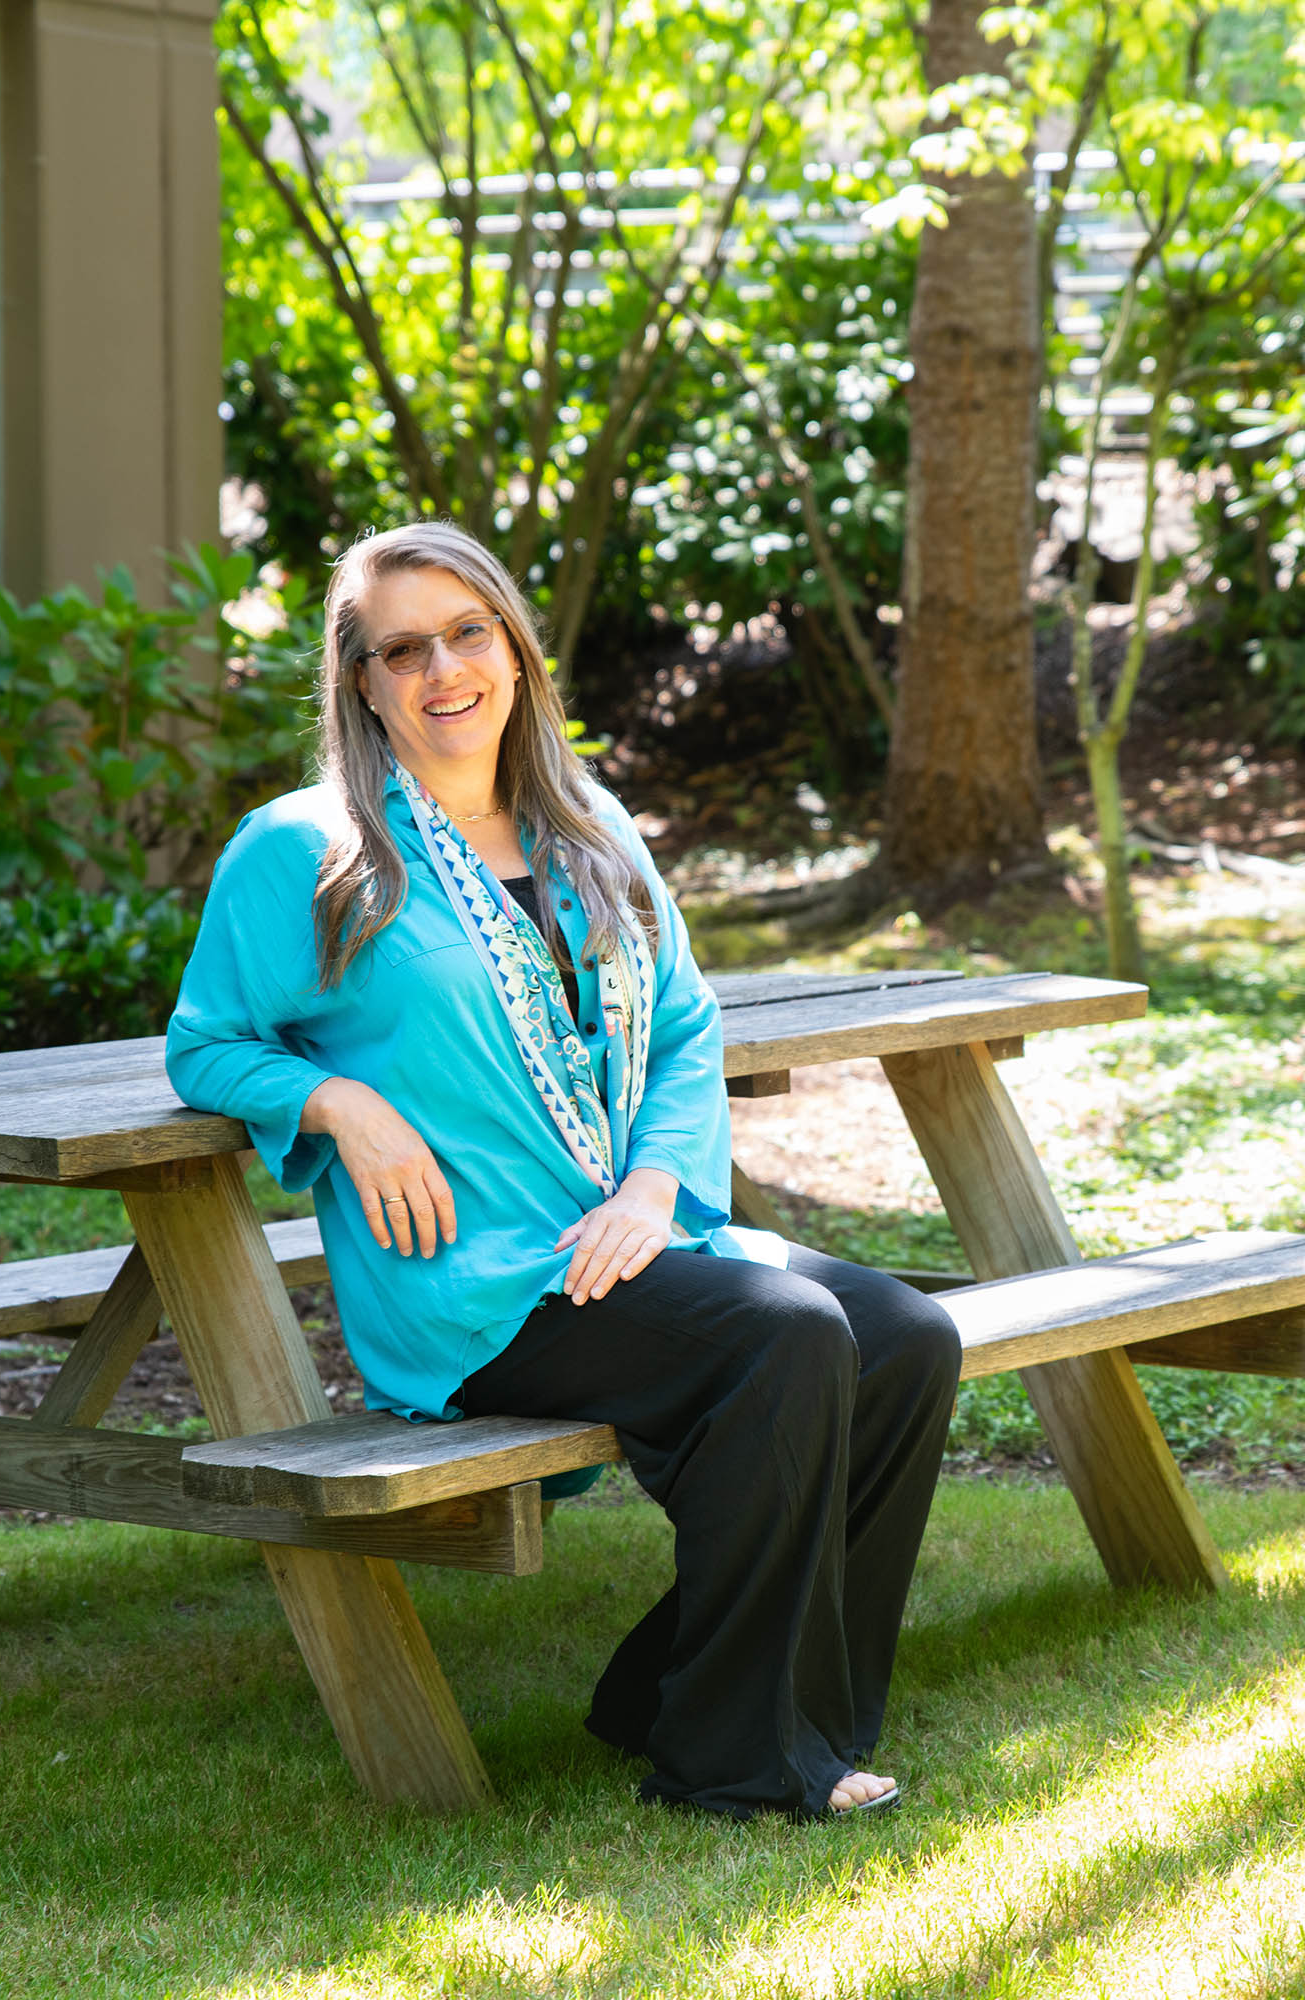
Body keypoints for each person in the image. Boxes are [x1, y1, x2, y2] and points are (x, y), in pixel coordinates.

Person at [166, 521, 960, 1822]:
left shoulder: (590, 831)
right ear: (360, 680)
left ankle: (683, 1690)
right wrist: (336, 1097)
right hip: (472, 1277)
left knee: (909, 1338)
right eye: (401, 648)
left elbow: (690, 1031)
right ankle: (737, 1763)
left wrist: (655, 1190)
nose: (441, 670)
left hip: (634, 1231)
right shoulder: (303, 852)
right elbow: (207, 1045)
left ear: (517, 654)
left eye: (467, 633)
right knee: (790, 1337)